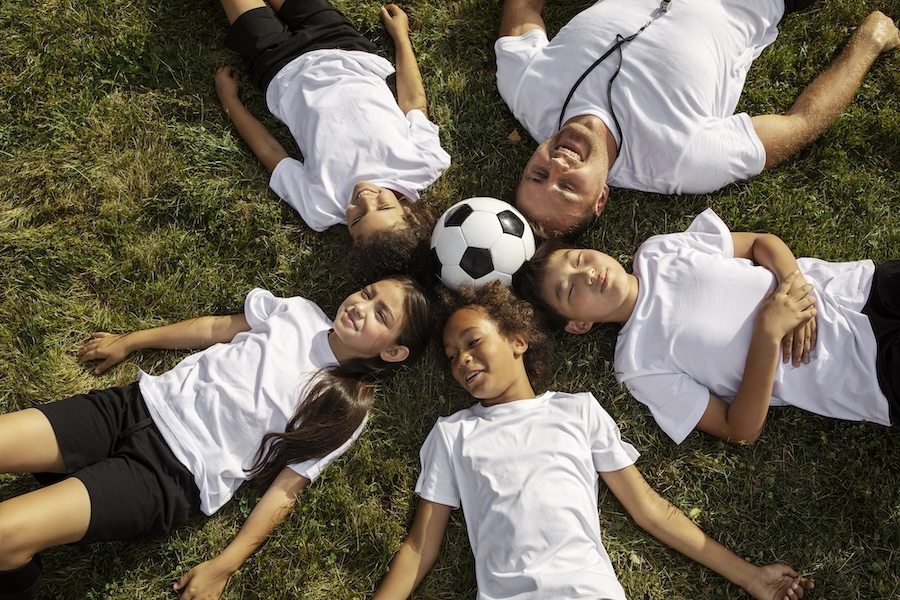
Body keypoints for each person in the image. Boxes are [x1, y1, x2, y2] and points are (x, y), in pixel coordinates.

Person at [371, 281, 814, 600]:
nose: (462, 359)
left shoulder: (577, 410)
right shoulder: (453, 435)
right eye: (452, 357)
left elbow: (651, 510)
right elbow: (419, 546)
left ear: (518, 341)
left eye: (472, 342)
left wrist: (750, 578)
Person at [0, 276, 431, 600]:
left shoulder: (346, 406)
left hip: (169, 476)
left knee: (5, 535)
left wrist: (224, 566)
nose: (362, 305)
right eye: (368, 293)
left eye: (381, 315)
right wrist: (131, 340)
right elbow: (212, 329)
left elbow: (286, 490)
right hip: (130, 408)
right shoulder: (297, 312)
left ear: (392, 352)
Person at [495, 0, 900, 236]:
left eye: (538, 174)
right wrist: (869, 44)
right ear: (601, 198)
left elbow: (523, 6)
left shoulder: (525, 88)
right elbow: (800, 124)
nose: (558, 165)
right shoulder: (680, 161)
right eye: (567, 186)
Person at [516, 208, 899, 445]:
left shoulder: (658, 251)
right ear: (579, 325)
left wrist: (792, 281)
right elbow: (740, 430)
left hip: (863, 286)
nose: (587, 274)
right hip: (864, 372)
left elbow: (761, 244)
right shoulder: (638, 364)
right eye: (569, 289)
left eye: (579, 258)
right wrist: (768, 333)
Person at [214, 0, 451, 281]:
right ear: (411, 215)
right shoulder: (423, 163)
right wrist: (401, 36)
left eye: (357, 218)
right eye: (384, 206)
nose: (364, 200)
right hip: (342, 44)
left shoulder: (320, 206)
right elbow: (412, 100)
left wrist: (230, 101)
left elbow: (271, 152)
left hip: (279, 66)